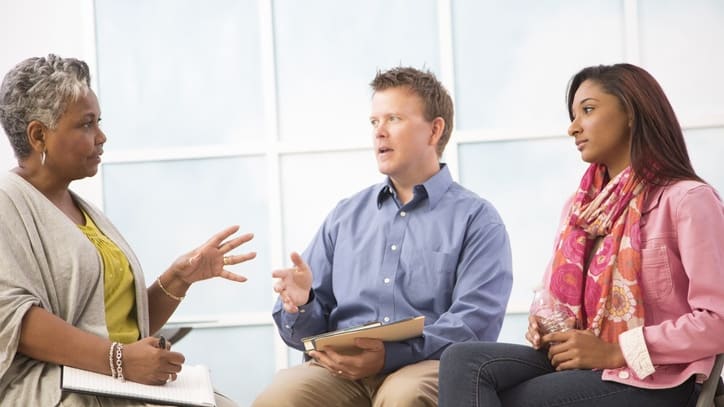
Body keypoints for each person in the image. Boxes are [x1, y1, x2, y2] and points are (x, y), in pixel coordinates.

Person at [438, 63, 724, 407]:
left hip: (654, 378)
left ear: (632, 113)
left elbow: (717, 319)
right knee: (461, 362)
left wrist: (617, 351)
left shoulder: (686, 200)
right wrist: (546, 327)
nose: (573, 128)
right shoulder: (579, 208)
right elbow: (554, 297)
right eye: (573, 116)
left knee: (512, 400)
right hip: (587, 363)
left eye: (587, 110)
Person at [0, 54, 256, 406]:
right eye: (86, 124)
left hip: (118, 384)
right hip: (61, 390)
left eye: (98, 122)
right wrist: (119, 361)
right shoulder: (6, 204)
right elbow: (15, 320)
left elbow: (119, 325)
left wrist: (177, 279)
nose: (101, 136)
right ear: (38, 135)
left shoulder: (84, 212)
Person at [252, 66, 513, 407]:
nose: (379, 133)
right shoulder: (345, 216)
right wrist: (302, 305)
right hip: (341, 372)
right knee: (281, 395)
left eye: (394, 119)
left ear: (434, 131)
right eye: (375, 122)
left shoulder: (477, 220)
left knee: (405, 395)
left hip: (425, 366)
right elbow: (302, 335)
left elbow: (474, 323)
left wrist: (390, 354)